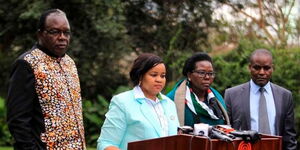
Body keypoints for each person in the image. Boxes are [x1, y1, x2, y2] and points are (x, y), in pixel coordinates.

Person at [7, 9, 86, 149]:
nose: (62, 37)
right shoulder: (27, 63)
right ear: (40, 34)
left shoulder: (70, 63)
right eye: (55, 32)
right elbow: (17, 120)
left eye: (66, 32)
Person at [97, 53, 179, 150]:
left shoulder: (169, 104)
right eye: (154, 75)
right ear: (140, 76)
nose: (159, 80)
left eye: (163, 76)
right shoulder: (122, 102)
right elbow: (106, 143)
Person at [224, 49, 297, 150]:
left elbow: (289, 137)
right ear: (249, 67)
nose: (262, 72)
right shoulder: (232, 95)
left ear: (273, 68)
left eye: (266, 68)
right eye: (257, 68)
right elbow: (225, 132)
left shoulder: (285, 96)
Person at [167, 52, 229, 127]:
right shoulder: (172, 100)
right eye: (201, 73)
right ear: (189, 75)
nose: (207, 77)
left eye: (210, 73)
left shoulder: (217, 98)